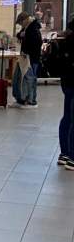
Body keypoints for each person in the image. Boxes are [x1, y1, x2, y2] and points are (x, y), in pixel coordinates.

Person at [53, 18, 74, 171]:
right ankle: (72, 157)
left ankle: (65, 154)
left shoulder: (66, 39)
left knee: (67, 117)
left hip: (67, 82)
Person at [13, 13, 41, 107]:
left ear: (25, 20)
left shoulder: (33, 28)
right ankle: (24, 98)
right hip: (26, 57)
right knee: (24, 78)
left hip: (32, 58)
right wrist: (21, 35)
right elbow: (19, 35)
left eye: (21, 23)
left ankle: (31, 100)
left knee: (30, 79)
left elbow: (37, 43)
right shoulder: (27, 28)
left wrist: (25, 37)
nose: (21, 25)